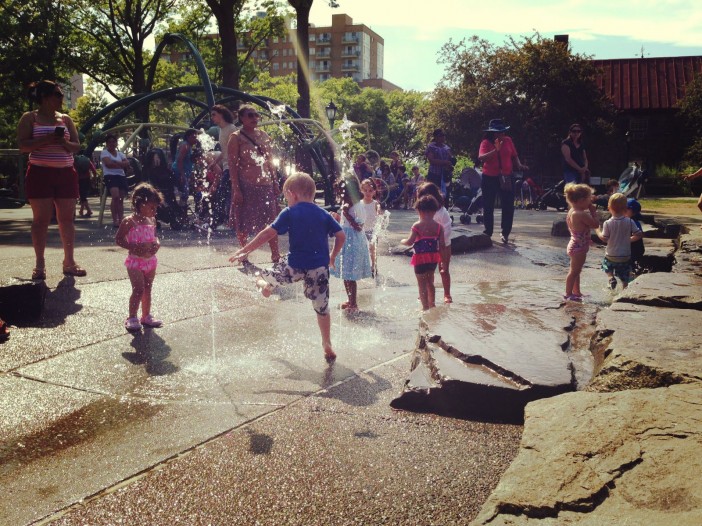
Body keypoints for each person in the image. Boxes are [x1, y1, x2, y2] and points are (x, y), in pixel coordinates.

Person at [229, 173, 345, 362]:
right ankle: (327, 343)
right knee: (322, 307)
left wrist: (245, 250)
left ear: (292, 194)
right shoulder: (323, 213)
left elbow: (267, 233)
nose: (286, 201)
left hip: (294, 266)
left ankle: (264, 284)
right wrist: (332, 257)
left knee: (269, 275)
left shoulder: (290, 212)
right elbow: (341, 235)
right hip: (319, 269)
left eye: (286, 197)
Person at [17, 80, 85, 280]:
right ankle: (40, 263)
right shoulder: (30, 118)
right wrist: (46, 140)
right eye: (57, 94)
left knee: (67, 220)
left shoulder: (65, 119)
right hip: (40, 172)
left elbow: (76, 146)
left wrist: (63, 142)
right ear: (45, 97)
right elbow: (22, 146)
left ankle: (69, 262)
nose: (61, 98)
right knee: (41, 220)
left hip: (65, 172)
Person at [228, 104, 281, 262]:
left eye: (256, 115)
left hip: (265, 184)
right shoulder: (236, 137)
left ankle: (275, 253)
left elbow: (270, 161)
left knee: (271, 220)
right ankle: (244, 252)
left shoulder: (263, 134)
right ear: (242, 118)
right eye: (250, 115)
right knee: (243, 220)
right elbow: (232, 165)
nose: (254, 118)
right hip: (246, 185)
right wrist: (236, 189)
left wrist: (275, 182)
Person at [115, 183, 164, 332]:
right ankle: (132, 317)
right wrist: (132, 247)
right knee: (138, 289)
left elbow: (155, 237)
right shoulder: (129, 221)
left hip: (151, 261)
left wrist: (157, 243)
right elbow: (119, 239)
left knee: (148, 288)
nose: (154, 211)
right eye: (151, 207)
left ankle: (146, 316)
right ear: (140, 203)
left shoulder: (152, 220)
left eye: (156, 208)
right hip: (135, 261)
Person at [478, 118, 528, 244]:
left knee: (508, 205)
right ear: (493, 133)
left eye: (503, 132)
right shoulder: (485, 142)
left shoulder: (508, 140)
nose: (502, 134)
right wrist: (496, 149)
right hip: (489, 177)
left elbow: (514, 155)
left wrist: (519, 165)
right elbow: (481, 158)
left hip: (506, 177)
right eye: (499, 132)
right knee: (488, 205)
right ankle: (488, 231)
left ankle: (505, 232)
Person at [330, 176, 373, 312]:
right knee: (346, 273)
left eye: (341, 192)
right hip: (350, 240)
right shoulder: (353, 205)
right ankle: (350, 300)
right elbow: (348, 224)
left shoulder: (353, 206)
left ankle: (353, 304)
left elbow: (359, 226)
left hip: (351, 242)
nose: (339, 195)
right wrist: (340, 217)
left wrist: (347, 215)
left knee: (350, 275)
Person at [401, 194, 446, 311]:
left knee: (421, 284)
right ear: (434, 211)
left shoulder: (417, 225)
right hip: (433, 259)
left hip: (420, 259)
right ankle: (432, 304)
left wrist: (403, 241)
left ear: (419, 210)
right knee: (430, 281)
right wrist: (442, 261)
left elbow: (410, 242)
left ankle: (425, 307)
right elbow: (442, 245)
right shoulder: (439, 227)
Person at [596, 193, 643, 290]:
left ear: (609, 207)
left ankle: (611, 278)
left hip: (611, 255)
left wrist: (597, 231)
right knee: (625, 277)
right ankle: (623, 293)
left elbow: (604, 238)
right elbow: (639, 234)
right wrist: (629, 240)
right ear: (625, 208)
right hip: (625, 256)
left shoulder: (607, 223)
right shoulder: (630, 221)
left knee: (606, 266)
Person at [416, 182, 453, 303]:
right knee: (428, 272)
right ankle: (425, 292)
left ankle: (447, 293)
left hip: (443, 245)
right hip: (427, 247)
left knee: (444, 270)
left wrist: (439, 243)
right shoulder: (423, 211)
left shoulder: (442, 212)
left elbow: (447, 231)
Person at [563, 183, 599, 301]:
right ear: (582, 200)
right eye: (589, 199)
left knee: (576, 270)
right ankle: (568, 294)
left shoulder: (572, 211)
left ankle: (576, 292)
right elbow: (595, 224)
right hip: (578, 247)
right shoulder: (581, 214)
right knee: (574, 271)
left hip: (575, 244)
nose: (590, 202)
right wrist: (593, 212)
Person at [209, 105, 238, 224]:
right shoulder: (221, 130)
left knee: (222, 193)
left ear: (221, 114)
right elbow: (224, 150)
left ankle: (218, 221)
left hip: (232, 167)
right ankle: (226, 220)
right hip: (227, 166)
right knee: (226, 193)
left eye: (214, 114)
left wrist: (234, 166)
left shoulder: (231, 128)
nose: (212, 117)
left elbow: (236, 148)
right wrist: (215, 162)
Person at [101, 134, 131, 228]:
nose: (111, 143)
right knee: (116, 197)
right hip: (110, 176)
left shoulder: (120, 154)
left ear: (116, 143)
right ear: (106, 143)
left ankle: (121, 219)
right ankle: (115, 220)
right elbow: (108, 164)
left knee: (121, 199)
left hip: (121, 176)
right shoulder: (104, 153)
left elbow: (127, 163)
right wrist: (121, 164)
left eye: (113, 142)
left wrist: (116, 163)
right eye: (109, 142)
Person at [359, 178, 382, 276]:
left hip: (372, 230)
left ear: (374, 192)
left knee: (373, 249)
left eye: (370, 191)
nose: (368, 193)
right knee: (362, 249)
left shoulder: (375, 203)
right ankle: (362, 266)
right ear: (361, 190)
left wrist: (379, 215)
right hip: (362, 230)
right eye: (365, 190)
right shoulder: (360, 203)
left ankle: (374, 265)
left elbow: (379, 214)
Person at [171, 129, 198, 206]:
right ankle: (181, 210)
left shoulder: (189, 146)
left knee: (185, 191)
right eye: (194, 137)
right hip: (179, 172)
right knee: (185, 192)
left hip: (185, 172)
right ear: (188, 137)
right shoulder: (185, 146)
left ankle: (182, 209)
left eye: (196, 137)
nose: (195, 139)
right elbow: (179, 160)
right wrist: (182, 175)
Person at [425, 129, 455, 200]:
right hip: (434, 174)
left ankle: (444, 209)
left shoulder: (446, 148)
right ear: (435, 137)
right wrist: (445, 162)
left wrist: (451, 161)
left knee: (445, 195)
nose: (443, 137)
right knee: (433, 194)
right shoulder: (431, 146)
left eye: (444, 135)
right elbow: (431, 160)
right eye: (441, 136)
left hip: (445, 174)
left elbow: (451, 159)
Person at [626, 197, 646, 274]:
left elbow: (639, 235)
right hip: (629, 247)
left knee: (631, 263)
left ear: (633, 212)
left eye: (626, 209)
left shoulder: (634, 222)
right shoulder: (625, 220)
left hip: (636, 247)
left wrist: (628, 240)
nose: (623, 210)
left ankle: (633, 272)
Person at [74, 151, 96, 218]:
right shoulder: (87, 161)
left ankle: (89, 210)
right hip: (87, 179)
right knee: (83, 196)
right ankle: (81, 210)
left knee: (82, 196)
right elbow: (94, 171)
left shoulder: (75, 161)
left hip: (79, 179)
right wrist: (93, 180)